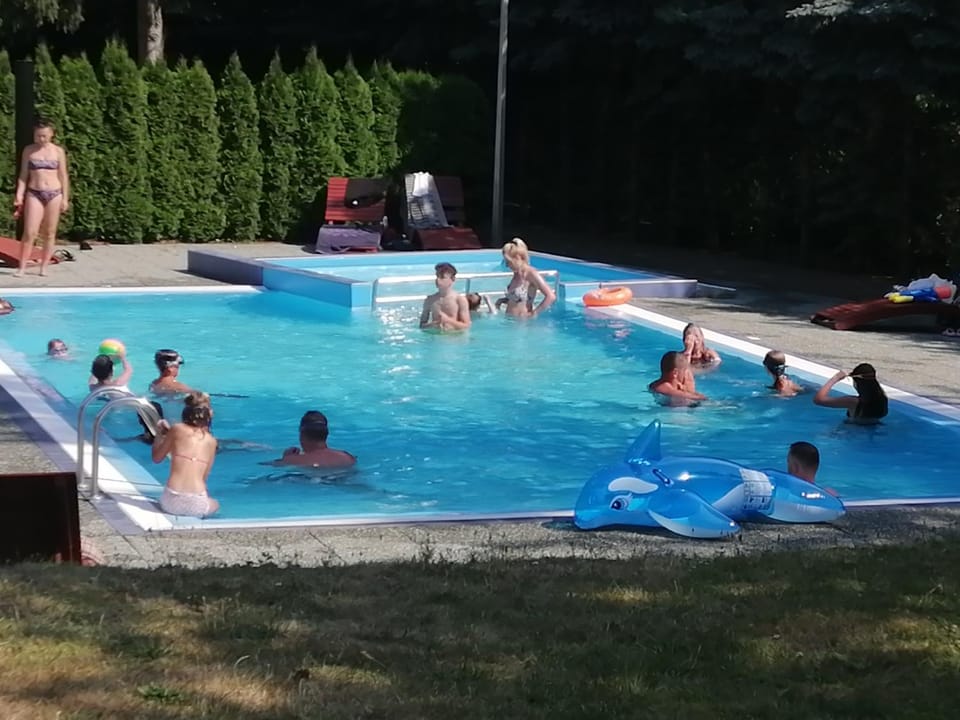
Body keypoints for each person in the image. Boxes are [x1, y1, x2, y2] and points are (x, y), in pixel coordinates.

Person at [13, 119, 69, 278]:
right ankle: (22, 267)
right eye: (38, 136)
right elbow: (23, 175)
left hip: (54, 193)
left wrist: (65, 198)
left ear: (51, 134)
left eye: (44, 136)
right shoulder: (29, 151)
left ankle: (44, 266)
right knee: (30, 231)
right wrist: (19, 194)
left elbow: (63, 176)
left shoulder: (58, 152)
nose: (41, 139)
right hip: (34, 192)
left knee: (50, 232)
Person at [152, 391, 220, 518]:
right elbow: (203, 479)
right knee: (215, 504)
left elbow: (156, 458)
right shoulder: (212, 442)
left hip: (171, 502)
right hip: (197, 504)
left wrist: (159, 435)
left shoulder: (176, 429)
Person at [270, 411, 357, 469]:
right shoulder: (347, 457)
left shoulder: (292, 461)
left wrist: (286, 458)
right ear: (326, 434)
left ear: (302, 434)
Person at [813, 362, 888, 424]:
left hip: (852, 432)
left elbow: (818, 400)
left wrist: (835, 378)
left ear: (857, 382)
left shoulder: (853, 401)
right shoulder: (883, 398)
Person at [500, 238, 556, 318]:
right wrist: (503, 300)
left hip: (522, 324)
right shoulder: (517, 273)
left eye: (509, 262)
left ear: (517, 258)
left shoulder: (531, 273)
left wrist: (534, 314)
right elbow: (518, 300)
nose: (507, 265)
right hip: (510, 321)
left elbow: (550, 296)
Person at [419, 262, 471, 331]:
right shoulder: (430, 300)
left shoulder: (459, 300)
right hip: (436, 339)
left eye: (442, 277)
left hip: (454, 338)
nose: (438, 280)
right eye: (437, 276)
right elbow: (421, 326)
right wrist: (434, 324)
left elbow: (466, 326)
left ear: (453, 279)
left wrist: (448, 320)